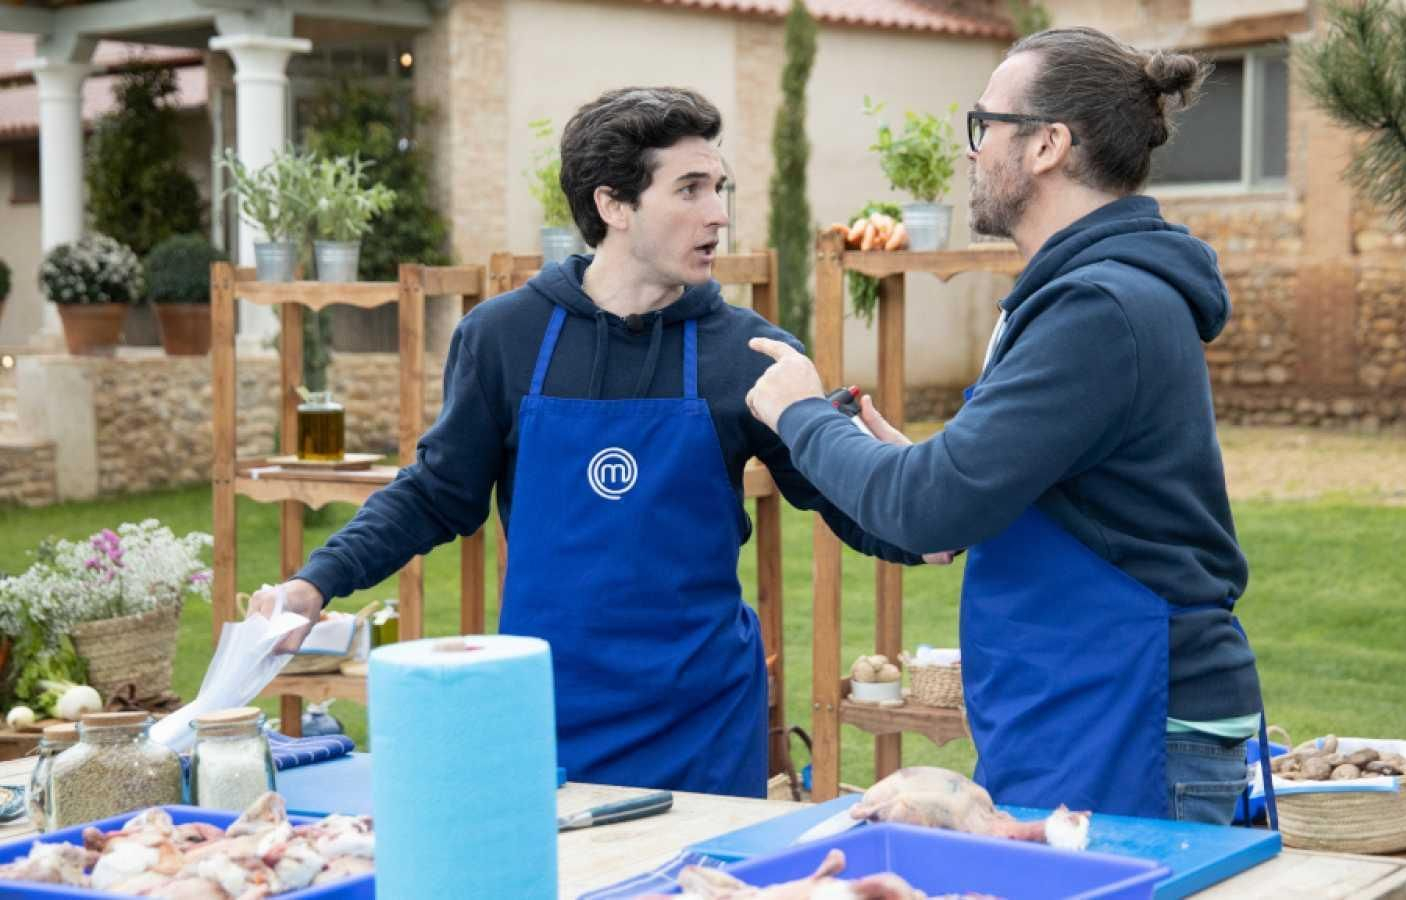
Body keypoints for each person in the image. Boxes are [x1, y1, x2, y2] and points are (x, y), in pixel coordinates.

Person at [251, 86, 927, 799]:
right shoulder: (504, 337)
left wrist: (926, 516)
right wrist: (315, 582)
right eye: (690, 189)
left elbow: (841, 496)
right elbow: (435, 494)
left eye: (719, 187)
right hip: (547, 713)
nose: (718, 214)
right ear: (613, 205)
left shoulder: (750, 353)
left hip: (703, 722)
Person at [744, 29, 1264, 824]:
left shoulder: (1097, 308)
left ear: (1049, 144)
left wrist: (801, 414)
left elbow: (929, 505)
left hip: (1127, 718)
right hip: (1082, 708)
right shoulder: (1085, 294)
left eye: (984, 125)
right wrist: (943, 479)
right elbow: (980, 501)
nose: (971, 150)